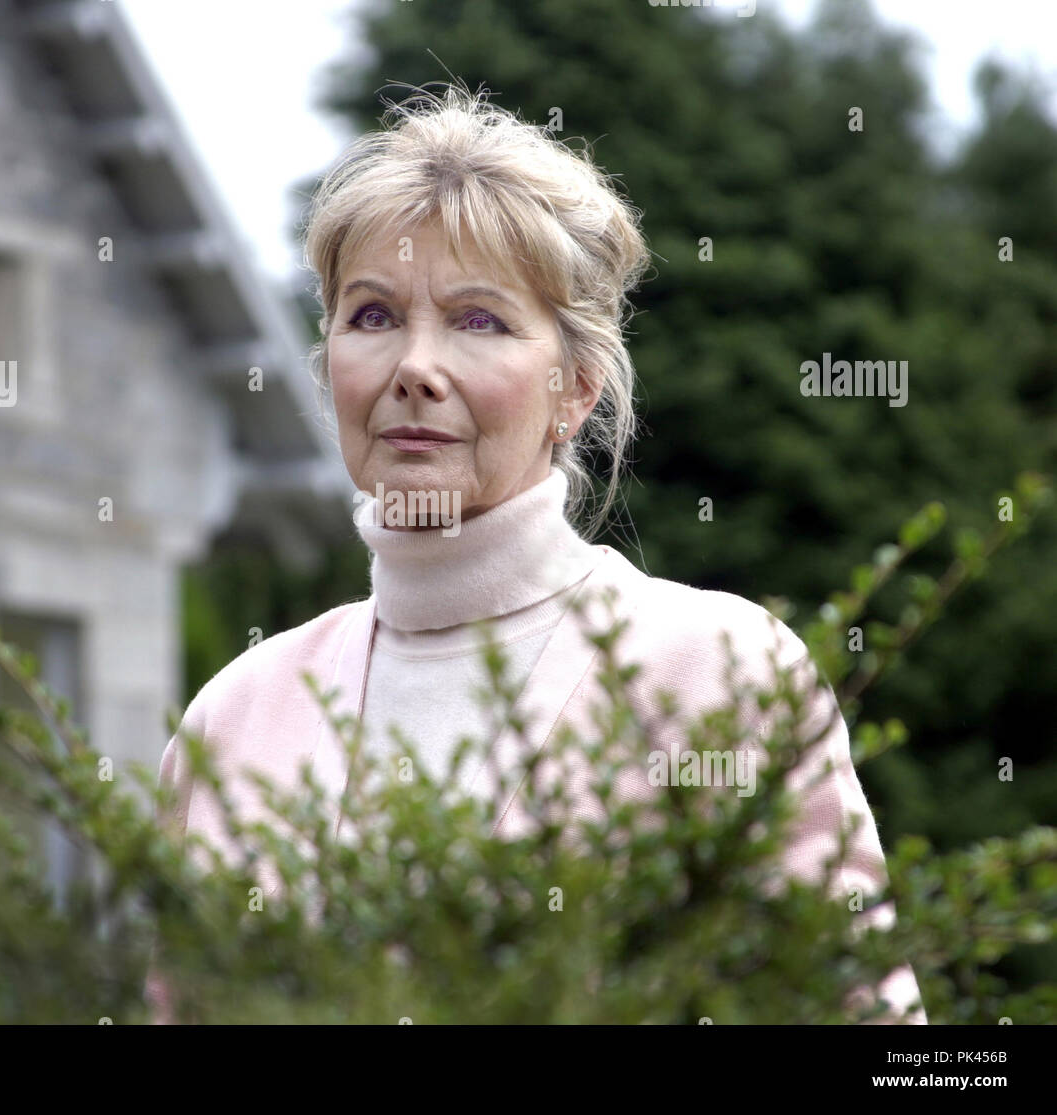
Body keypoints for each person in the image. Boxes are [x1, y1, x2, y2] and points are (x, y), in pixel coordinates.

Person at [147, 83, 926, 1025]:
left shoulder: (716, 670)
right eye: (372, 315)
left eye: (479, 321)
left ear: (577, 390)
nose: (414, 368)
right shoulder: (234, 714)